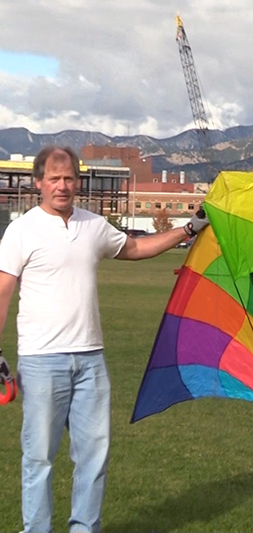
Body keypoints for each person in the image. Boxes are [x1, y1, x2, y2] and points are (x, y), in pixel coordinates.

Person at [0, 146, 210, 533]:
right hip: (42, 361)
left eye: (69, 179)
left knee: (94, 457)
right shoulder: (21, 230)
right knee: (38, 459)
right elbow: (2, 290)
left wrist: (189, 229)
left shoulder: (92, 225)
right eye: (54, 178)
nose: (62, 186)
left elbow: (133, 247)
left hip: (91, 362)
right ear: (39, 182)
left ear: (77, 182)